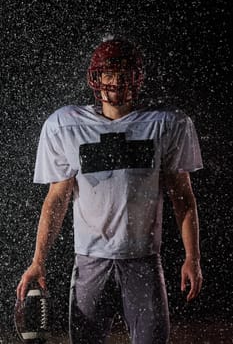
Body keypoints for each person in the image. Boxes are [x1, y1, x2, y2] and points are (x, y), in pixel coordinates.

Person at [17, 37, 203, 344]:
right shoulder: (65, 125)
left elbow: (183, 199)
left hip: (143, 260)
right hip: (90, 261)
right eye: (109, 72)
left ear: (137, 76)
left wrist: (192, 257)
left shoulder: (167, 123)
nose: (115, 79)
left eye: (124, 71)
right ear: (96, 76)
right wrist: (38, 260)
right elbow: (56, 199)